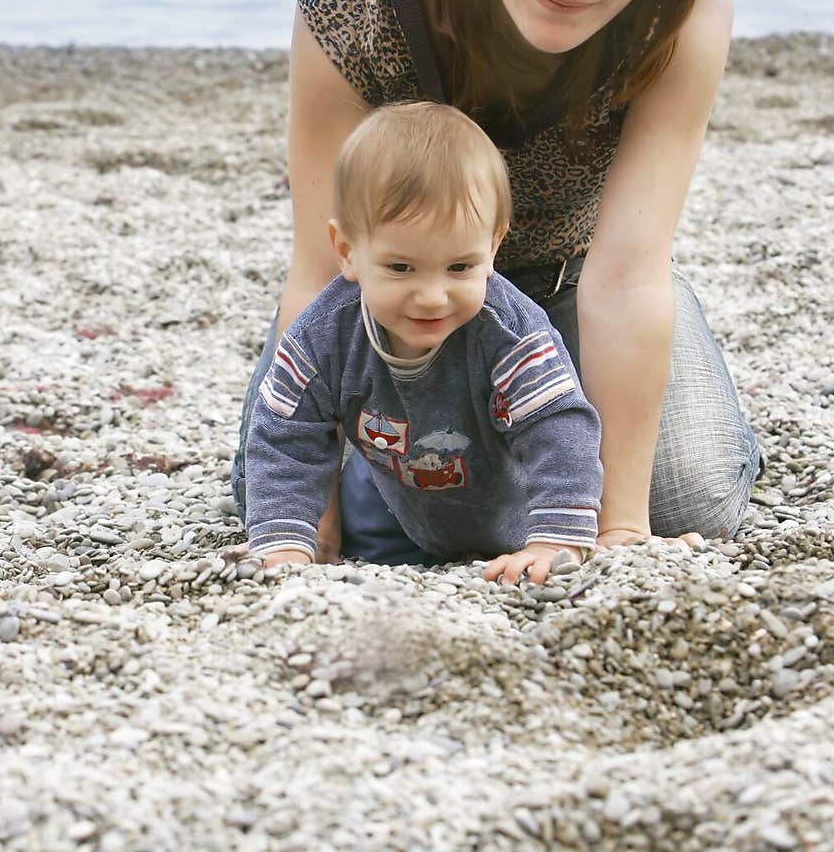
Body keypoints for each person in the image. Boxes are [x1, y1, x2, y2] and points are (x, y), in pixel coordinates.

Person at [232, 0, 761, 578]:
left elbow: (627, 269)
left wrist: (619, 535)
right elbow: (320, 269)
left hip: (571, 281)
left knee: (685, 501)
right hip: (387, 288)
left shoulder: (687, 14)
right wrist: (311, 531)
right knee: (274, 501)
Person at [244, 101, 603, 582]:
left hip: (509, 509)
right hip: (394, 502)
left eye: (460, 267)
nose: (433, 297)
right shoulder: (325, 333)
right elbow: (286, 433)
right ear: (348, 252)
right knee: (316, 502)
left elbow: (559, 426)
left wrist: (555, 537)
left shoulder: (511, 331)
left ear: (493, 246)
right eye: (400, 268)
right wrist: (287, 544)